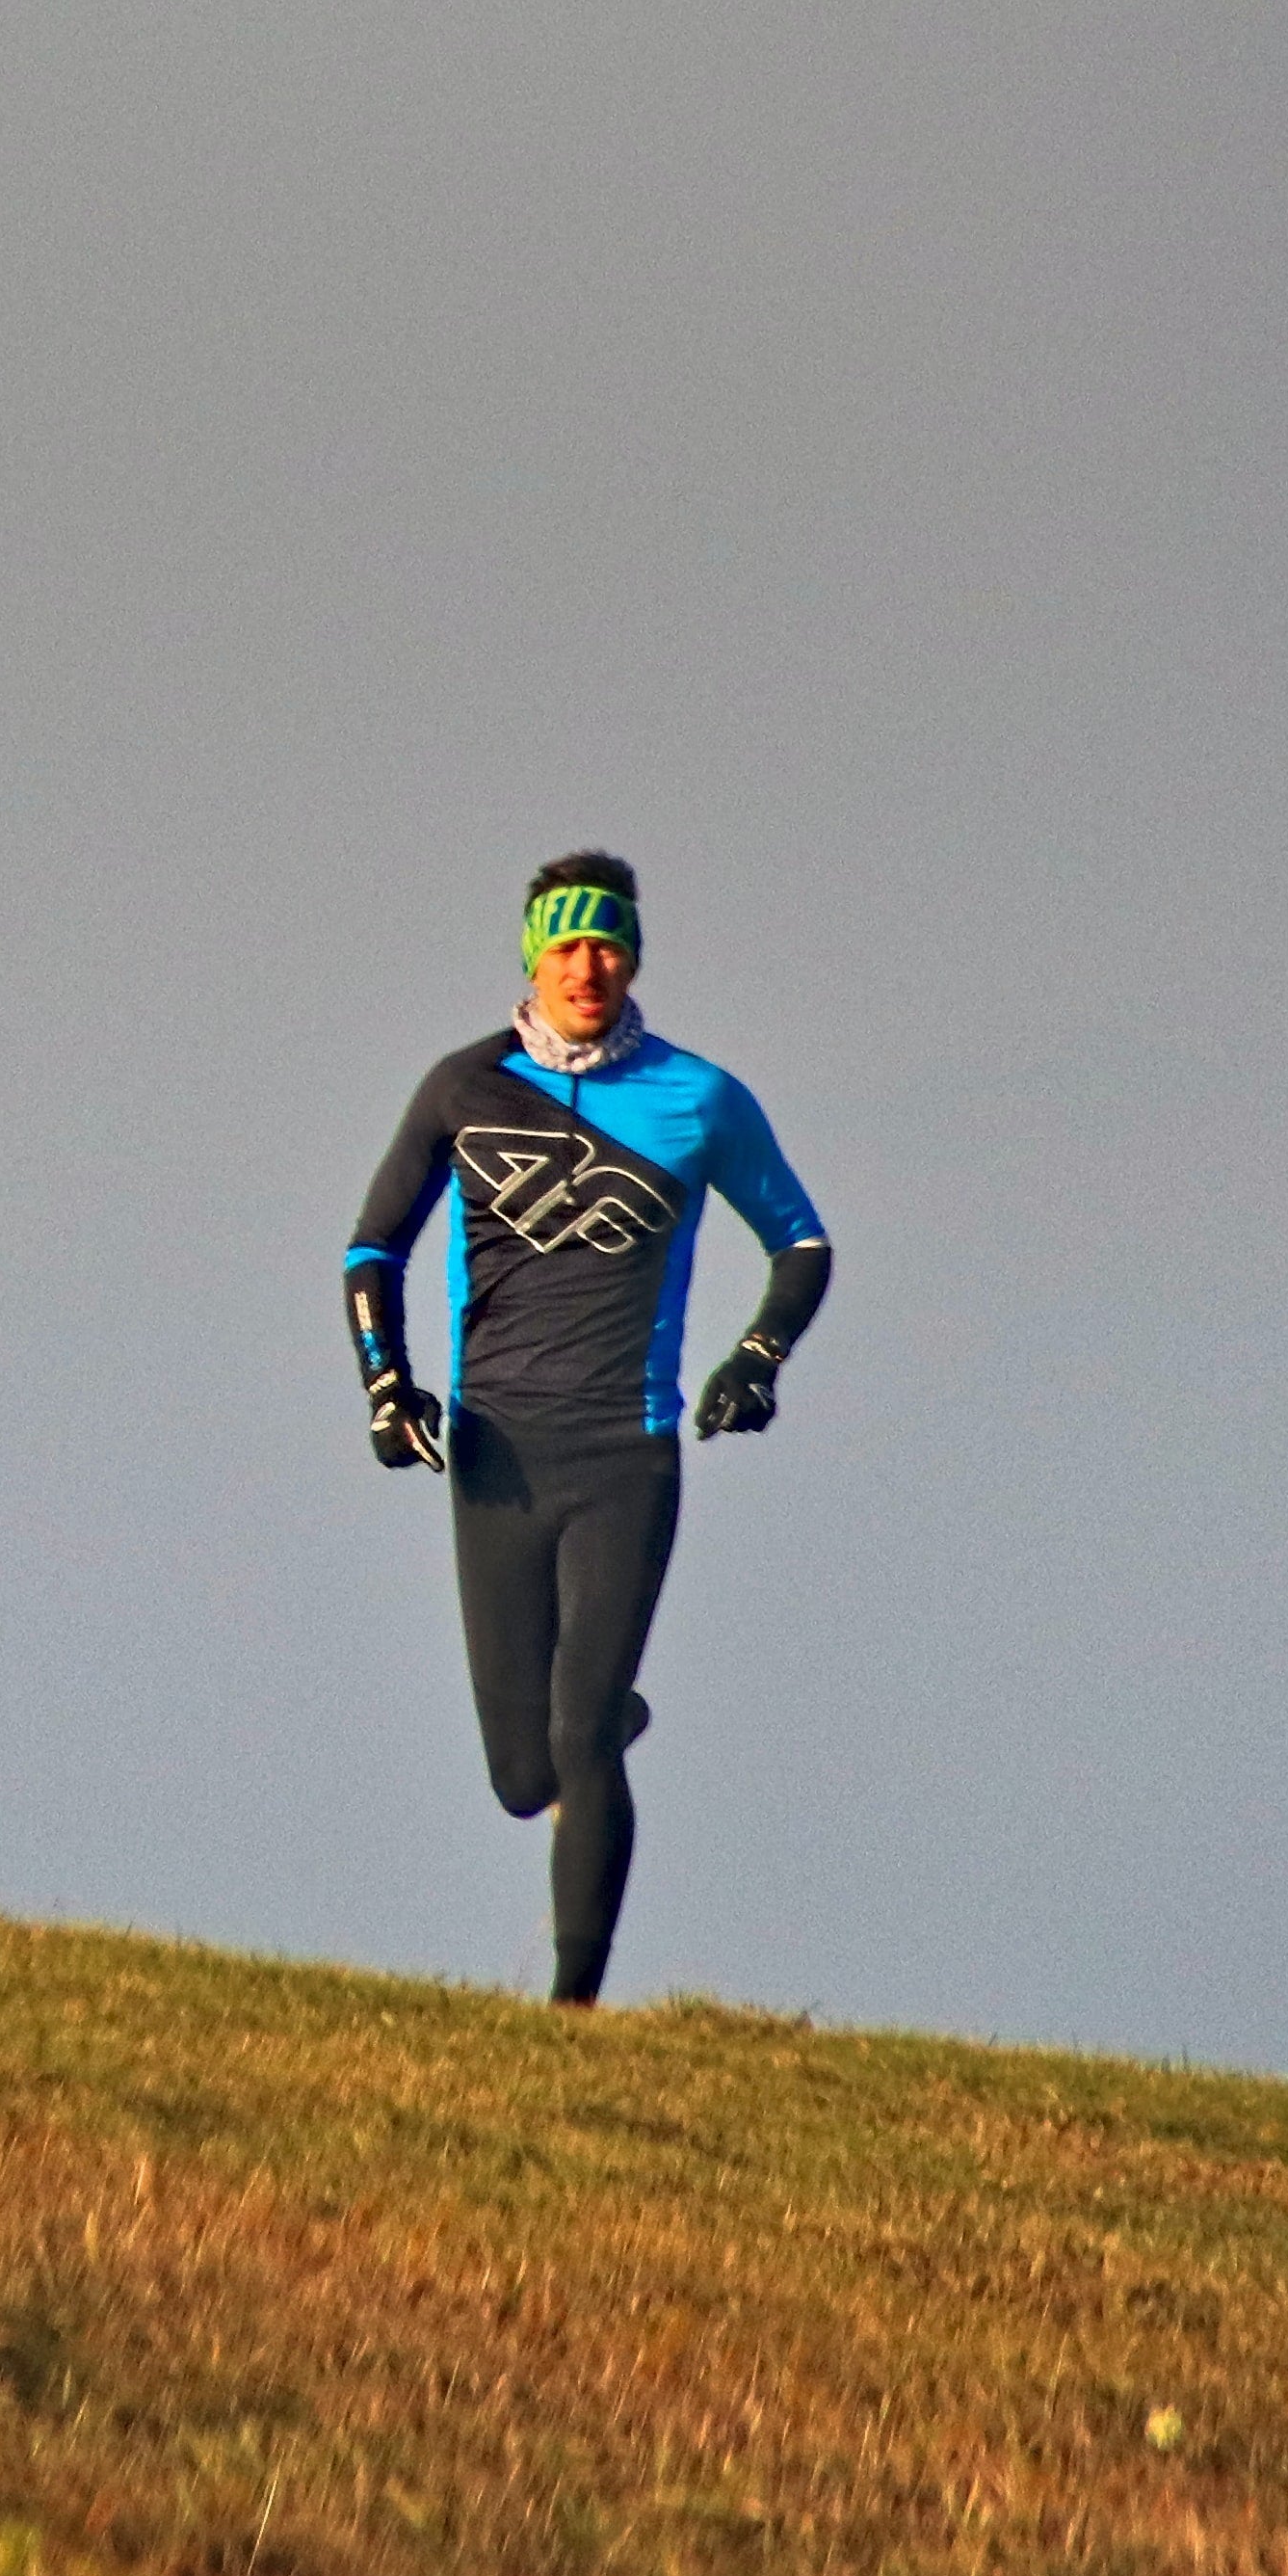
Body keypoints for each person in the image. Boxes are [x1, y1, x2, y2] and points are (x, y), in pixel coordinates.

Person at [345, 854, 829, 2007]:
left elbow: (801, 1243)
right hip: (495, 1455)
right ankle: (603, 1721)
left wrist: (757, 1357)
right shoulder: (464, 1087)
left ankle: (572, 2013)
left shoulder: (698, 1098)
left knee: (579, 1736)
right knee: (525, 1774)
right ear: (532, 959)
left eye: (606, 945)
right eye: (564, 946)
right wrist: (386, 1387)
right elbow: (371, 1248)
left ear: (634, 959)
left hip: (625, 1453)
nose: (586, 967)